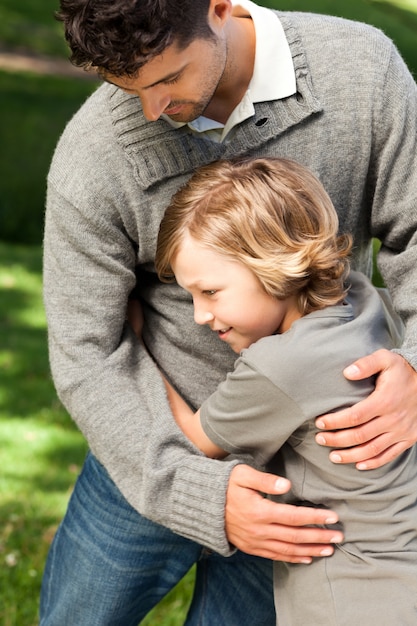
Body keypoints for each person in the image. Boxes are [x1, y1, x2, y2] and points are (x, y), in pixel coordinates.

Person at [40, 0, 417, 624]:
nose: (148, 110)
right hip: (149, 449)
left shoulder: (364, 70)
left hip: (298, 471)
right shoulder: (93, 154)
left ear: (219, 8)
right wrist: (192, 491)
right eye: (123, 87)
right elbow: (85, 351)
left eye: (166, 79)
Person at [155, 155, 417, 625]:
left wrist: (143, 349)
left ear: (275, 265)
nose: (198, 315)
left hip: (354, 591)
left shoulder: (281, 364)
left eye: (210, 292)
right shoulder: (361, 298)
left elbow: (192, 441)